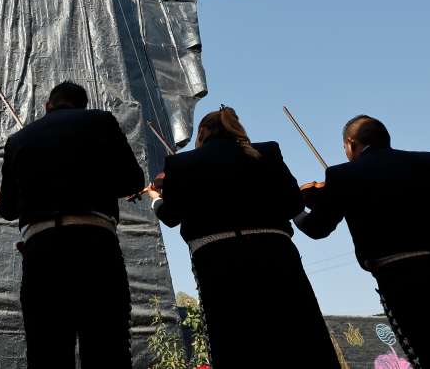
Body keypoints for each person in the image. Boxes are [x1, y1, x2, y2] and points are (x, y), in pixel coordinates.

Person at [295, 115, 430, 368]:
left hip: (405, 279)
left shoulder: (342, 174)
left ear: (350, 143)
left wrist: (293, 208)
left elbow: (317, 228)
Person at [145, 106, 339, 369]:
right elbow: (293, 203)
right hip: (276, 255)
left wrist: (156, 199)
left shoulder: (181, 163)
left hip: (218, 262)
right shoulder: (267, 152)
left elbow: (170, 216)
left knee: (236, 342)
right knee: (301, 335)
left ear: (202, 132)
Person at [0, 81, 143, 368]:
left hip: (42, 250)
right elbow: (132, 181)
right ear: (82, 105)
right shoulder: (101, 122)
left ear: (47, 106)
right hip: (96, 245)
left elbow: (7, 209)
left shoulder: (18, 140)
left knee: (47, 352)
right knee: (107, 348)